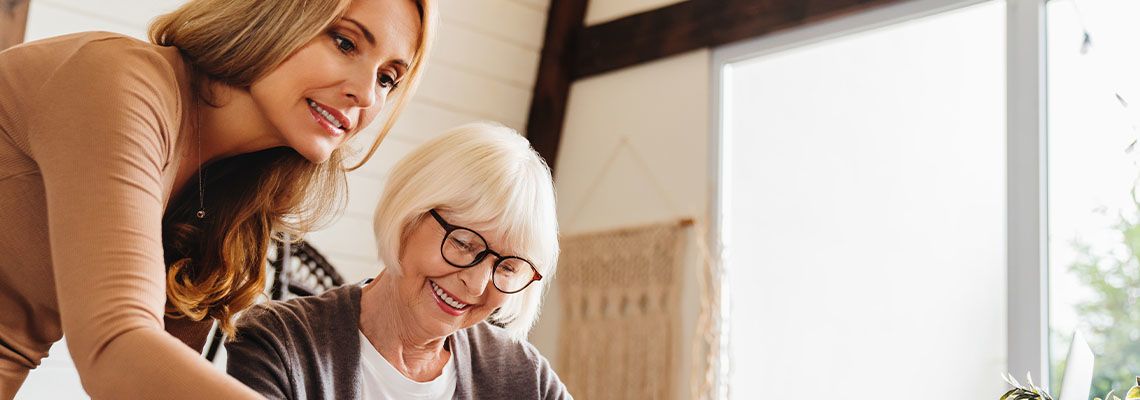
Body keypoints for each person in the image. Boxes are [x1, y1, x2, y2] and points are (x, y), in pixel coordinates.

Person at [0, 0, 435, 397]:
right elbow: (115, 346)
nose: (365, 93)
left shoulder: (231, 199)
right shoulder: (116, 80)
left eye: (387, 78)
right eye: (345, 42)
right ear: (276, 15)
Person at [226, 122, 571, 400]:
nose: (477, 284)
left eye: (508, 267)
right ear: (408, 217)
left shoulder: (525, 379)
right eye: (464, 244)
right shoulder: (282, 343)